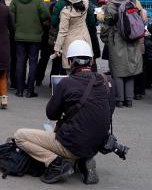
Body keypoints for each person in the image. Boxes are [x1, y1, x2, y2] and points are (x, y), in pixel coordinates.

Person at [13, 40, 117, 185]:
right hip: (98, 143)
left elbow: (51, 114)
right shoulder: (107, 80)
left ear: (70, 62)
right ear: (92, 60)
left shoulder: (67, 83)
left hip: (73, 144)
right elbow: (108, 110)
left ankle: (56, 162)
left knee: (20, 136)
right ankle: (83, 159)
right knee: (74, 128)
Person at [101, 0, 146, 108]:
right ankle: (129, 99)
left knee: (118, 71)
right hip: (132, 39)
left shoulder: (111, 6)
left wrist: (105, 39)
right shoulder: (131, 1)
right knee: (130, 71)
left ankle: (119, 100)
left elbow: (106, 25)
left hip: (117, 40)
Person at [10, 0, 51, 98]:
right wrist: (40, 27)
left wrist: (17, 28)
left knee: (20, 62)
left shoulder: (15, 0)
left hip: (19, 36)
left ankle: (19, 90)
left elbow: (11, 18)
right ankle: (30, 90)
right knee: (33, 62)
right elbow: (46, 16)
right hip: (35, 37)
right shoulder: (39, 0)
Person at [53, 0, 90, 71]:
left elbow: (63, 31)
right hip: (84, 40)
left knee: (71, 70)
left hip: (70, 43)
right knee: (85, 69)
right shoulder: (85, 4)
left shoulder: (65, 12)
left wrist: (57, 47)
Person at [36, 0, 62, 86]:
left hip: (46, 37)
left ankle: (38, 79)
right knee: (56, 61)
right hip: (57, 37)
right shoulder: (61, 6)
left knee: (43, 59)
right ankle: (53, 83)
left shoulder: (46, 4)